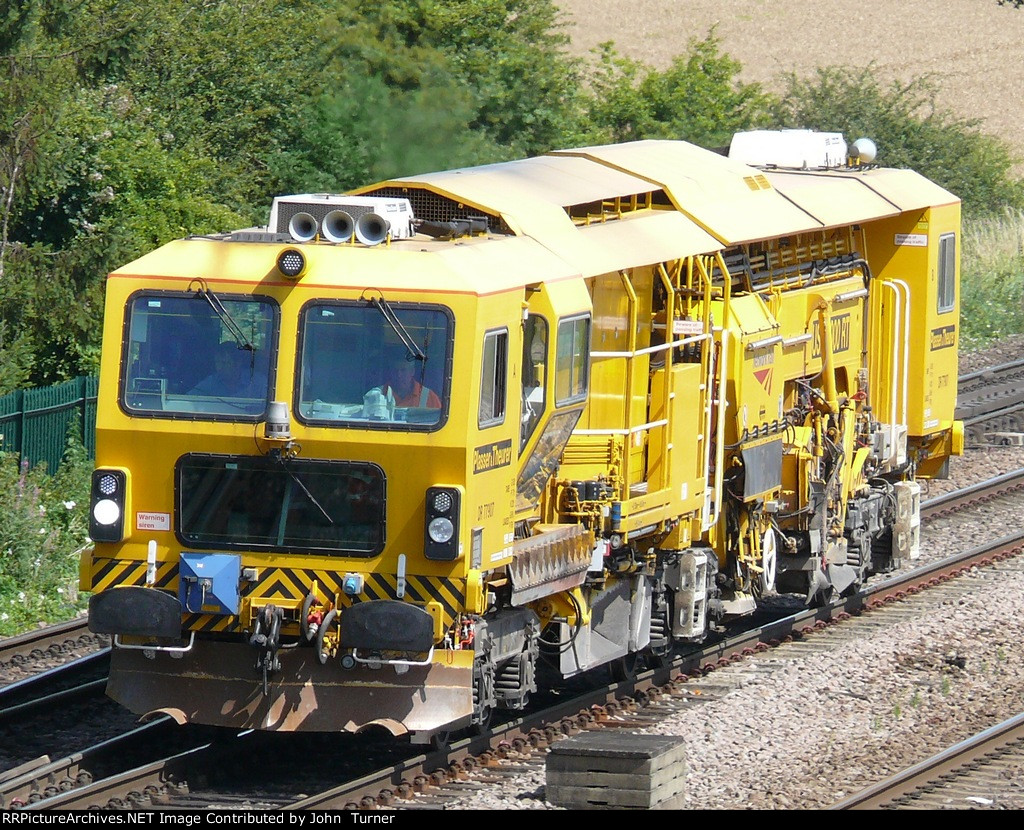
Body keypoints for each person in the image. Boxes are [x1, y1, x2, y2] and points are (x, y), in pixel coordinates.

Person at [190, 341, 262, 398]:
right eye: (217, 362)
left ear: (238, 363)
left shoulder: (258, 382)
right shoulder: (210, 383)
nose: (219, 368)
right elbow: (189, 400)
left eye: (224, 363)